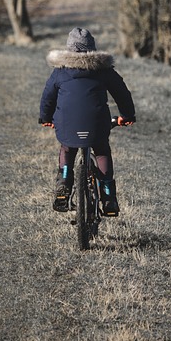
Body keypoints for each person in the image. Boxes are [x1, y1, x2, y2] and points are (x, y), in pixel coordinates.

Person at [39, 27, 135, 216]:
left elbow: (47, 97)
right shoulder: (104, 70)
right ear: (92, 48)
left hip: (67, 123)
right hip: (97, 123)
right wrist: (127, 115)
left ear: (69, 49)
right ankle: (108, 197)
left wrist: (46, 118)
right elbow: (122, 94)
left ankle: (64, 183)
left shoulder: (60, 72)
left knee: (67, 148)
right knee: (101, 150)